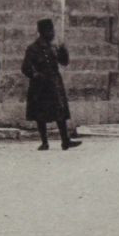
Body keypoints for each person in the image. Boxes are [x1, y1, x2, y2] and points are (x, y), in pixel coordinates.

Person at [21, 18, 79, 150]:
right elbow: (25, 67)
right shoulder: (32, 48)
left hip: (54, 83)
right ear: (43, 32)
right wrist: (35, 75)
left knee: (60, 111)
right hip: (40, 86)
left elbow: (64, 62)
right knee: (40, 114)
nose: (53, 33)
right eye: (50, 31)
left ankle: (65, 141)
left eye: (52, 30)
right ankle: (44, 142)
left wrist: (63, 50)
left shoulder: (54, 47)